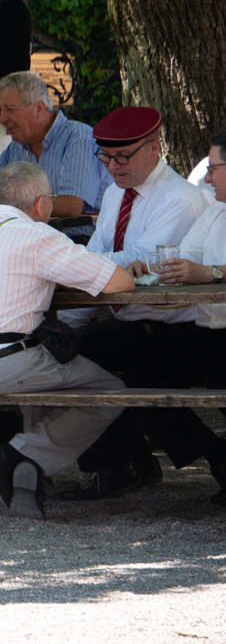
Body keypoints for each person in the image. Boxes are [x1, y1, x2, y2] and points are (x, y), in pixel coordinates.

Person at [0, 162, 135, 520]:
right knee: (112, 391)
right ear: (41, 203)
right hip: (6, 364)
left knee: (49, 372)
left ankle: (28, 478)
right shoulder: (37, 236)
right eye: (51, 198)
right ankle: (16, 455)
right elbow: (121, 282)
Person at [58, 107, 208, 499]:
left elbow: (136, 262)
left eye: (122, 157)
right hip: (136, 321)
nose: (111, 167)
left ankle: (212, 457)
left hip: (182, 324)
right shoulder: (114, 193)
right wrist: (66, 325)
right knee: (64, 357)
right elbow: (96, 264)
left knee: (141, 384)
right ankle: (125, 464)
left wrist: (75, 263)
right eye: (104, 157)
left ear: (154, 147)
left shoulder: (180, 198)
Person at [143, 129, 226, 507]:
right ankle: (218, 457)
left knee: (221, 384)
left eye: (213, 168)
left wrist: (211, 273)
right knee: (145, 381)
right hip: (209, 326)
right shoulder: (216, 211)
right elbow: (183, 261)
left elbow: (203, 270)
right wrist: (149, 269)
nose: (206, 177)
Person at [0, 71, 111, 225]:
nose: (2, 118)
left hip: (78, 238)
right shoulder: (14, 148)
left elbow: (71, 205)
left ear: (39, 109)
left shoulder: (78, 137)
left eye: (10, 109)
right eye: (0, 111)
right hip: (31, 236)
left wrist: (15, 208)